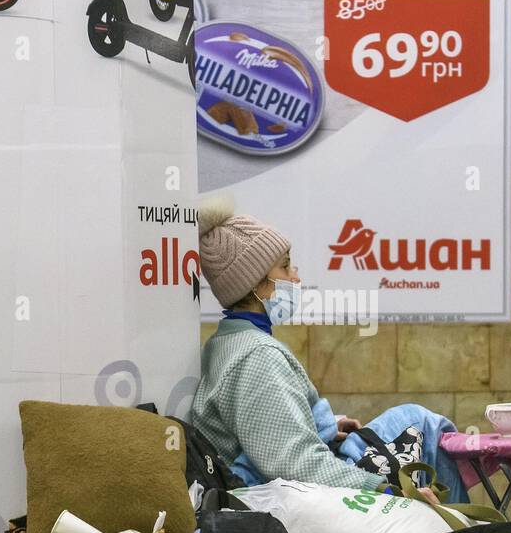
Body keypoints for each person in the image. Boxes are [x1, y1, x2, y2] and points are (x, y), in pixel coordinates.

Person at [192, 198, 467, 504]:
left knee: (412, 420)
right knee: (419, 422)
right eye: (284, 266)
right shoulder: (256, 357)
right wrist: (385, 489)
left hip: (291, 487)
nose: (295, 277)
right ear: (256, 284)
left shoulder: (228, 343)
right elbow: (295, 463)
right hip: (295, 499)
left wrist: (323, 425)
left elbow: (266, 431)